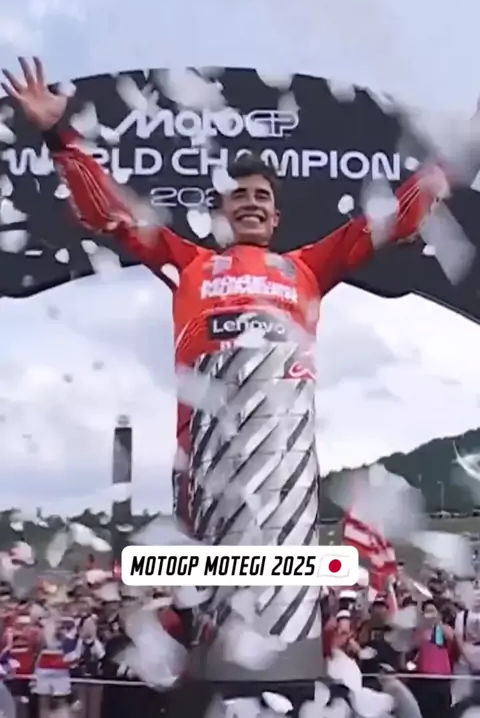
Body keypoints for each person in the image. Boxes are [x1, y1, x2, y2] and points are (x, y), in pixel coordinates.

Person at [0, 57, 452, 705]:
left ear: (276, 216)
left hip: (283, 477)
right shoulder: (188, 264)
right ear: (220, 212)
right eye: (239, 196)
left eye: (262, 197)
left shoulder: (308, 267)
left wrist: (454, 160)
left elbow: (396, 219)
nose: (251, 203)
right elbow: (109, 215)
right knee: (206, 639)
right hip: (205, 472)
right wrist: (58, 135)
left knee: (284, 649)